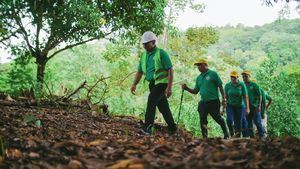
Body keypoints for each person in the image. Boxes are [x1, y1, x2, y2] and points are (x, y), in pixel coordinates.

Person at [130, 31, 177, 135]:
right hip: (152, 84)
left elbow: (170, 70)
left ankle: (148, 127)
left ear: (153, 42)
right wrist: (134, 84)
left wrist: (169, 88)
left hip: (162, 83)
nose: (145, 46)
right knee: (163, 106)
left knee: (151, 100)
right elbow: (140, 72)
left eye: (147, 43)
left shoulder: (161, 53)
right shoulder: (143, 56)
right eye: (143, 44)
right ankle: (173, 128)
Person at [181, 58, 229, 139]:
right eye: (197, 65)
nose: (198, 67)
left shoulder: (213, 74)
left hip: (214, 101)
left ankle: (226, 134)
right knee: (202, 119)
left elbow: (220, 86)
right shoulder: (198, 78)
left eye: (200, 65)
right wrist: (186, 88)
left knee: (217, 118)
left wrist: (223, 99)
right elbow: (195, 91)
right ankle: (205, 137)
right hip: (203, 102)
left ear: (205, 65)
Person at [224, 71, 250, 137]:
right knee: (229, 120)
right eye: (231, 77)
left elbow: (245, 96)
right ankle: (232, 133)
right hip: (230, 105)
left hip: (240, 106)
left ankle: (237, 137)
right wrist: (223, 107)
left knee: (238, 123)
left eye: (234, 77)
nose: (233, 78)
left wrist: (247, 108)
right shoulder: (227, 85)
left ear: (237, 77)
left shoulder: (241, 85)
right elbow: (225, 97)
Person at [241, 70, 265, 138]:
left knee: (257, 121)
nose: (244, 78)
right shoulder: (242, 85)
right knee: (248, 122)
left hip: (255, 106)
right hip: (247, 107)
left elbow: (260, 95)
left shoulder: (254, 84)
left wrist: (259, 105)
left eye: (246, 76)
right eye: (243, 77)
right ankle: (252, 137)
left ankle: (262, 135)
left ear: (249, 76)